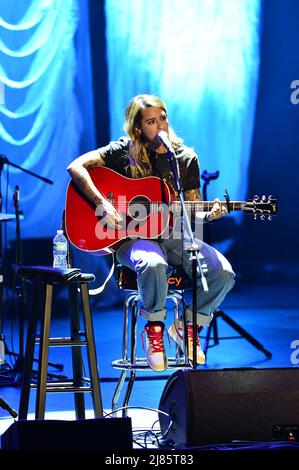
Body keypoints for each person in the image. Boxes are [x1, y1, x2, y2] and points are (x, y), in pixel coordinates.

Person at [67, 94, 235, 372]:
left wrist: (212, 213)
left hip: (172, 235)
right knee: (153, 263)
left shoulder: (184, 158)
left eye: (163, 118)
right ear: (137, 128)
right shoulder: (121, 151)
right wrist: (102, 203)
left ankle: (187, 327)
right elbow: (76, 167)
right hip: (130, 238)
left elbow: (191, 208)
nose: (160, 125)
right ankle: (154, 328)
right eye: (151, 121)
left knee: (223, 272)